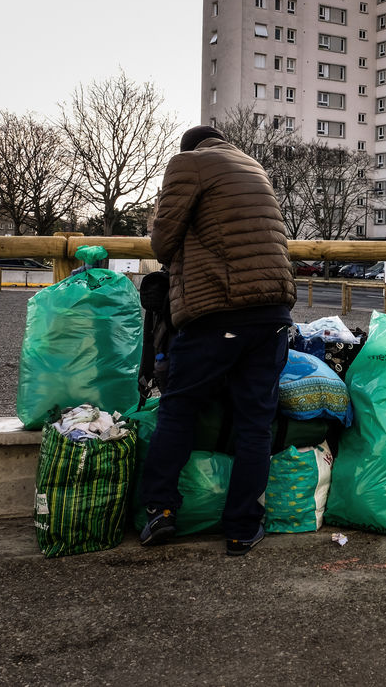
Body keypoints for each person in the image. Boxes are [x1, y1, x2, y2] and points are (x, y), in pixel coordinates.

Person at [137, 125, 296, 556]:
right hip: (273, 314)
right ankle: (242, 528)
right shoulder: (254, 167)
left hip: (220, 311)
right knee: (255, 423)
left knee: (178, 408)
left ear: (189, 148)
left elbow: (163, 243)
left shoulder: (187, 163)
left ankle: (161, 510)